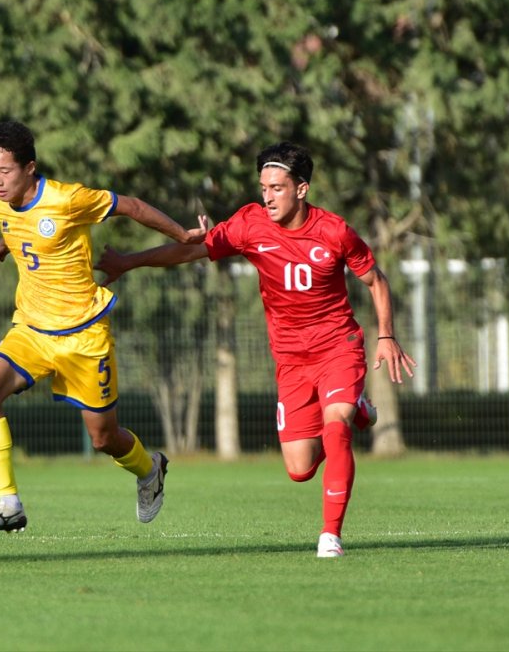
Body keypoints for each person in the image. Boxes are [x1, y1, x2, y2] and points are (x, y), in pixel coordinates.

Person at [96, 141, 416, 557]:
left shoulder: (335, 231)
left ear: (302, 189)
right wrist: (129, 261)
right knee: (300, 469)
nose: (267, 196)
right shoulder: (250, 224)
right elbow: (194, 248)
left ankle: (330, 535)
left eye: (277, 187)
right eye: (263, 187)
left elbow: (376, 281)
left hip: (339, 346)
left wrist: (387, 335)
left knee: (335, 430)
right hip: (290, 360)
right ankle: (355, 408)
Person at [0, 120, 204, 534]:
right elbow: (21, 227)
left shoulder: (68, 199)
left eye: (5, 171)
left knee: (103, 438)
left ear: (30, 168)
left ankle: (151, 470)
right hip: (31, 330)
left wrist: (182, 233)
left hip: (84, 334)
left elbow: (130, 205)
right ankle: (9, 504)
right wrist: (1, 246)